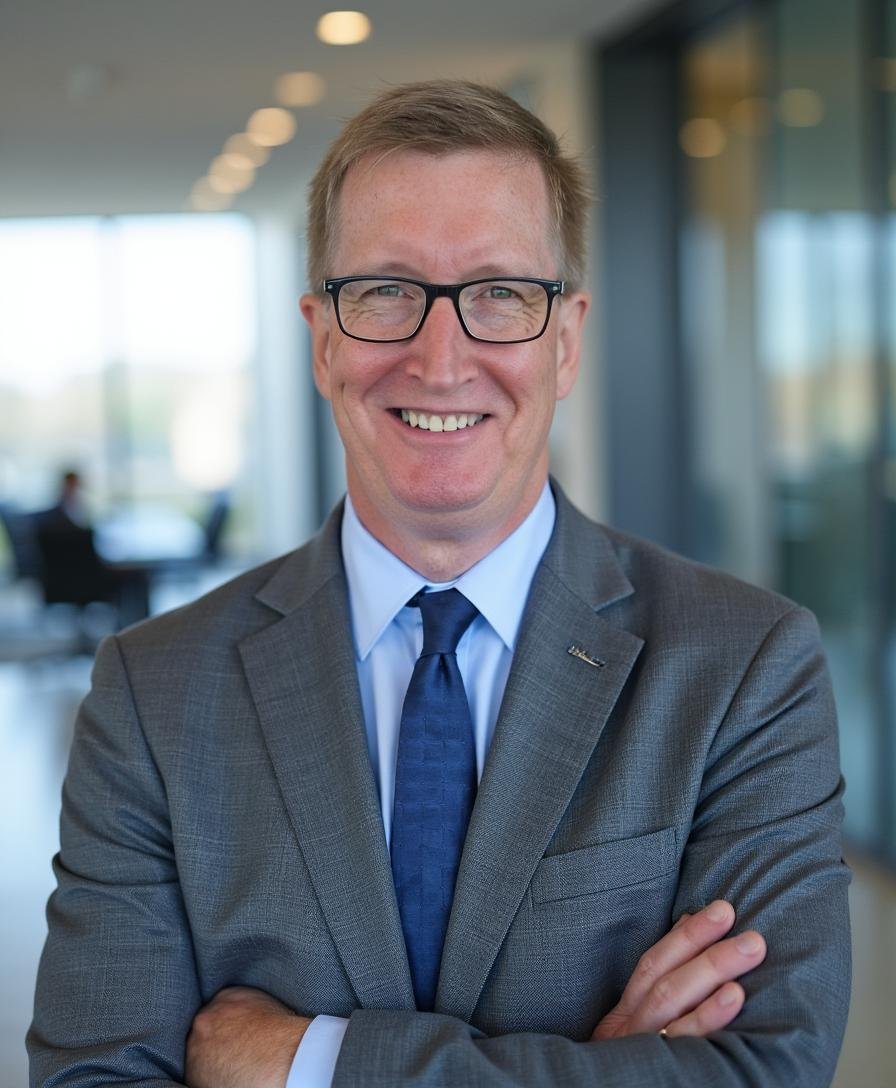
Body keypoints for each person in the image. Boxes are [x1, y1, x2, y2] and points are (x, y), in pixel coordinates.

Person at [28, 80, 850, 1087]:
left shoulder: (741, 665)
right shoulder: (153, 692)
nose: (441, 354)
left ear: (565, 339)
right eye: (384, 291)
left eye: (500, 292)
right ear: (323, 337)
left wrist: (312, 1060)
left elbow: (761, 1069)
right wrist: (593, 1066)